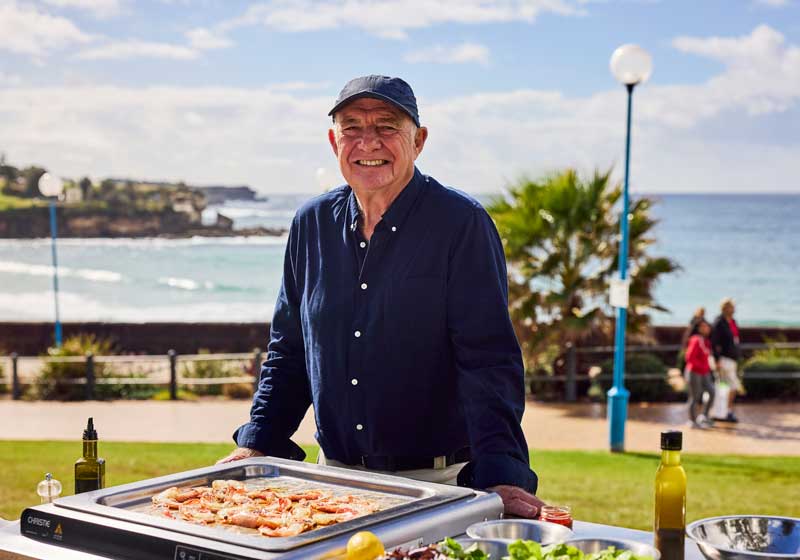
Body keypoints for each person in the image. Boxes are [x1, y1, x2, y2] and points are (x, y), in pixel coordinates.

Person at [218, 75, 543, 518]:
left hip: (438, 486)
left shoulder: (461, 223)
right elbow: (290, 350)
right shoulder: (310, 224)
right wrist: (258, 441)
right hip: (330, 483)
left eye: (386, 126)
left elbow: (488, 360)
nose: (367, 142)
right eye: (352, 128)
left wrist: (502, 472)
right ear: (334, 141)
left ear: (419, 140)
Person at [711, 298, 743, 423]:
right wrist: (717, 360)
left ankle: (722, 412)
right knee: (727, 386)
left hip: (732, 359)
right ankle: (724, 412)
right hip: (723, 360)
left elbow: (735, 339)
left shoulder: (733, 322)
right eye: (731, 307)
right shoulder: (719, 322)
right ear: (725, 308)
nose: (733, 309)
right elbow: (714, 343)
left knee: (726, 386)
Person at [685, 320, 715, 428]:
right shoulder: (695, 340)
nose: (706, 328)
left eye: (707, 326)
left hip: (705, 372)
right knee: (695, 396)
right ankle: (692, 420)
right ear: (698, 328)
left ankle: (704, 416)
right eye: (703, 327)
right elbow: (689, 358)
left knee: (712, 391)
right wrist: (701, 367)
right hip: (694, 372)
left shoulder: (706, 341)